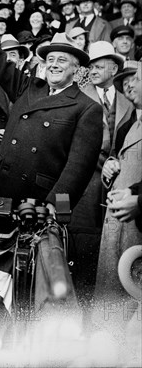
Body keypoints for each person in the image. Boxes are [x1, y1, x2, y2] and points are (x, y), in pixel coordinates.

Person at [0, 0, 103, 212]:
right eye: (50, 60)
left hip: (38, 201)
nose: (54, 65)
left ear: (76, 70)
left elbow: (77, 169)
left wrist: (58, 208)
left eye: (62, 60)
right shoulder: (27, 86)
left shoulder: (87, 108)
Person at [69, 41, 130, 307]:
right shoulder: (77, 95)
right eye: (90, 66)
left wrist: (116, 162)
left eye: (99, 65)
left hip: (119, 185)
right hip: (85, 184)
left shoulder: (130, 99)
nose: (92, 70)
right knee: (83, 243)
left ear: (114, 67)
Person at [93, 61, 142, 337]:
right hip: (118, 225)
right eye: (125, 81)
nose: (129, 85)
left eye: (135, 79)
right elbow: (118, 160)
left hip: (136, 228)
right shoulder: (128, 125)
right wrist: (110, 167)